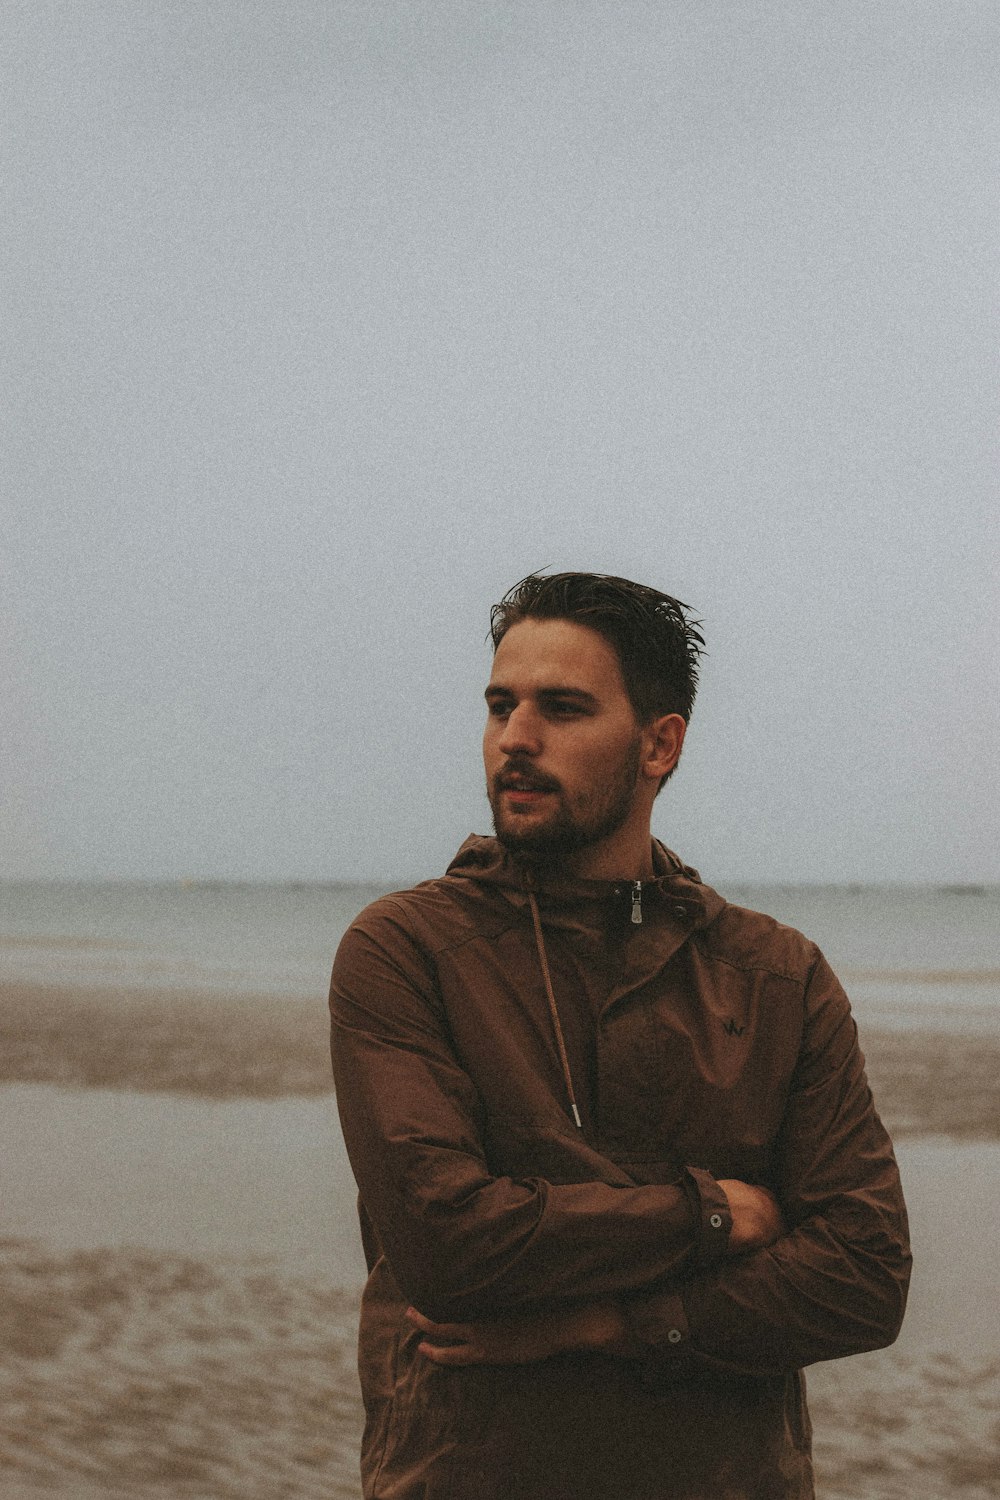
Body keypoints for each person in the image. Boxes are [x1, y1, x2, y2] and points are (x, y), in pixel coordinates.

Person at [329, 571, 910, 1500]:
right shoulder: (409, 950)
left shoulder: (775, 975)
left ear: (659, 744)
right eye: (499, 705)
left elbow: (863, 1277)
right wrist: (713, 1214)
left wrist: (600, 1323)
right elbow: (449, 1246)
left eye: (562, 708)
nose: (515, 739)